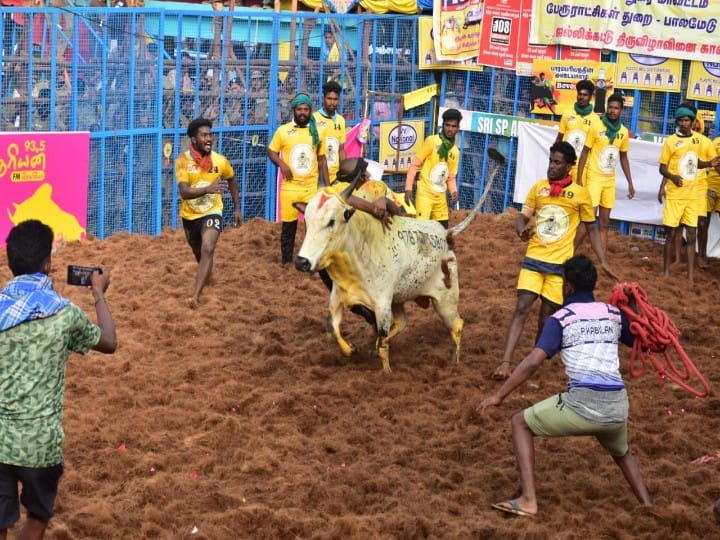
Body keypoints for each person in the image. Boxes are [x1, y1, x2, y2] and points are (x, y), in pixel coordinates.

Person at [480, 255, 652, 518]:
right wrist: (633, 306)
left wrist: (499, 396)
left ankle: (528, 499)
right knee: (623, 453)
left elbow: (533, 362)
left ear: (567, 286)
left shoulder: (561, 318)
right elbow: (642, 339)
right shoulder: (613, 313)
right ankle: (648, 506)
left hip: (582, 405)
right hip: (617, 408)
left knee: (519, 423)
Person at [0, 220, 117, 539]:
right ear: (48, 264)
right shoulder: (65, 315)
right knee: (37, 519)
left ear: (10, 263)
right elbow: (108, 342)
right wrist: (98, 293)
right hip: (40, 446)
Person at [491, 142, 616, 381]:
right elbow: (522, 216)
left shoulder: (581, 194)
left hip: (560, 268)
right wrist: (520, 230)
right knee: (521, 308)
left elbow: (592, 229)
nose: (552, 167)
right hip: (534, 259)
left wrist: (604, 261)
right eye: (551, 161)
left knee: (546, 318)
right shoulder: (539, 188)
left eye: (558, 163)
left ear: (569, 166)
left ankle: (531, 365)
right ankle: (505, 363)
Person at [175, 117, 242, 307]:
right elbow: (184, 192)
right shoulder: (182, 161)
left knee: (208, 247)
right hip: (189, 216)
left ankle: (195, 296)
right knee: (199, 252)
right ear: (194, 140)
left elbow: (232, 179)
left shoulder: (220, 160)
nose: (209, 139)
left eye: (210, 135)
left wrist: (237, 208)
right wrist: (207, 189)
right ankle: (207, 275)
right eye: (204, 135)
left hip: (213, 212)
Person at [657, 105, 718, 282]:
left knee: (691, 235)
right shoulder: (670, 141)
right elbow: (662, 168)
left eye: (687, 121)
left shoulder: (701, 142)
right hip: (676, 195)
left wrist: (710, 164)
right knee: (670, 234)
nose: (684, 123)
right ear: (677, 122)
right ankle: (666, 272)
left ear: (692, 122)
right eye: (681, 121)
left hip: (693, 196)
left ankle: (691, 277)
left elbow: (699, 163)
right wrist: (672, 177)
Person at [267, 93, 326, 267]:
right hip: (290, 188)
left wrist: (327, 186)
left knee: (312, 226)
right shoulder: (283, 131)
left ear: (310, 111)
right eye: (299, 109)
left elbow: (322, 160)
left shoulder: (317, 132)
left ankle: (309, 260)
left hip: (311, 188)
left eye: (306, 109)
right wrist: (281, 164)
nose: (302, 112)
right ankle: (286, 262)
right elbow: (271, 151)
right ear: (294, 110)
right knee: (289, 227)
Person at [574, 93, 635, 256]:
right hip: (594, 178)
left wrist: (630, 182)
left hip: (609, 181)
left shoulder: (623, 132)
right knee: (589, 219)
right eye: (610, 107)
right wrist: (579, 178)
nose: (612, 111)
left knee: (605, 222)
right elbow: (585, 153)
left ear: (621, 111)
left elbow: (623, 157)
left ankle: (601, 258)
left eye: (616, 108)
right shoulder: (596, 126)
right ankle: (569, 252)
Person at [404, 108, 462, 229]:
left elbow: (450, 177)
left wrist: (454, 192)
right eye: (447, 125)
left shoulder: (455, 152)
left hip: (440, 196)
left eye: (453, 126)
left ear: (458, 128)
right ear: (443, 125)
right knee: (421, 229)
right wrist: (408, 188)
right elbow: (415, 164)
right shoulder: (431, 141)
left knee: (442, 231)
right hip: (425, 193)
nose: (450, 129)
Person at [554, 79, 603, 182]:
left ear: (590, 97)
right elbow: (559, 138)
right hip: (565, 163)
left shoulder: (595, 119)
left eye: (585, 95)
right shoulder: (567, 113)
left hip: (582, 166)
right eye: (579, 94)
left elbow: (595, 146)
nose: (581, 97)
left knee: (577, 195)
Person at [314, 80, 346, 185]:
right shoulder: (314, 119)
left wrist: (344, 172)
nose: (332, 102)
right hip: (317, 176)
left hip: (335, 176)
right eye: (329, 98)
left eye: (335, 99)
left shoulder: (341, 120)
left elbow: (341, 150)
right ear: (323, 99)